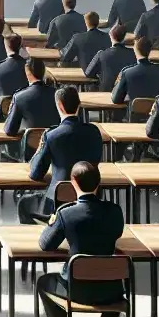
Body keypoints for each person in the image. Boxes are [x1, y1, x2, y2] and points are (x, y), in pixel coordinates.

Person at [35, 162, 127, 317]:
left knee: (43, 283)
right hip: (109, 290)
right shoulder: (114, 212)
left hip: (76, 290)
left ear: (73, 182)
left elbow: (45, 244)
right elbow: (117, 233)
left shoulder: (66, 214)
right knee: (120, 290)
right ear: (99, 183)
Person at [19, 86, 105, 222]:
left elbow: (36, 173)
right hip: (92, 196)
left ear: (59, 105)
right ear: (79, 105)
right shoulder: (94, 132)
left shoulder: (52, 135)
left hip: (58, 200)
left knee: (24, 203)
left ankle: (43, 239)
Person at [3, 57, 62, 149]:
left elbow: (9, 130)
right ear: (43, 71)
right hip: (55, 146)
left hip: (30, 149)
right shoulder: (58, 95)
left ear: (27, 73)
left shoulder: (19, 97)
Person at [110, 37, 159, 106]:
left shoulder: (127, 72)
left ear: (135, 50)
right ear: (150, 50)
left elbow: (116, 99)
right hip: (158, 114)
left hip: (135, 115)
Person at [0, 33, 30, 108]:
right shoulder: (29, 68)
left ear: (6, 46)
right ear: (20, 46)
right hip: (25, 110)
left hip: (3, 112)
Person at [83, 24, 136, 93]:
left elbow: (88, 73)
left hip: (105, 92)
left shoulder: (102, 54)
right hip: (126, 93)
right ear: (124, 37)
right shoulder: (133, 54)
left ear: (111, 36)